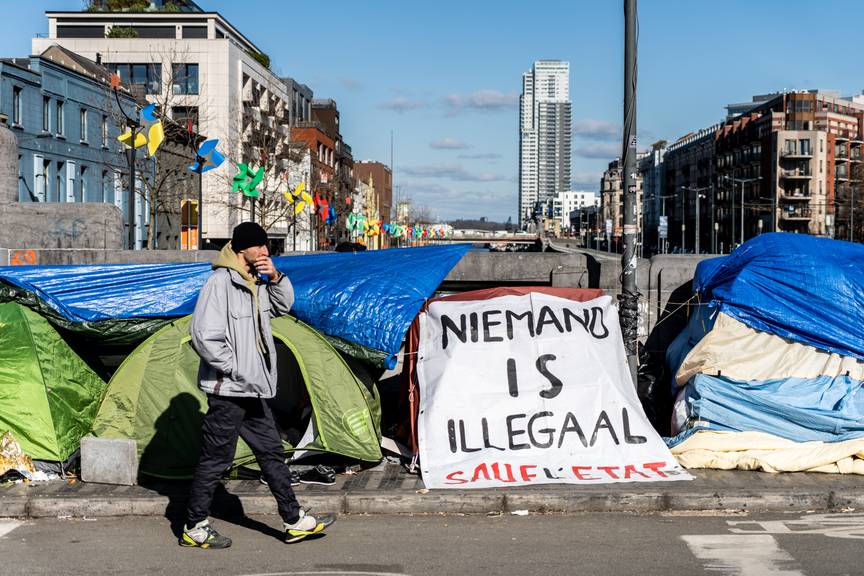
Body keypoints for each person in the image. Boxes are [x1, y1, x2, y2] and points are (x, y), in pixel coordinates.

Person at [181, 222, 335, 548]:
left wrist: (276, 278)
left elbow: (283, 306)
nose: (266, 252)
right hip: (229, 391)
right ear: (242, 249)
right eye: (260, 247)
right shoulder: (221, 283)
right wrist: (235, 369)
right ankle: (194, 526)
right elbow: (203, 335)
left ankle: (294, 520)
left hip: (252, 390)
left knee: (271, 452)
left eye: (267, 247)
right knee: (215, 459)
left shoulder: (256, 283)